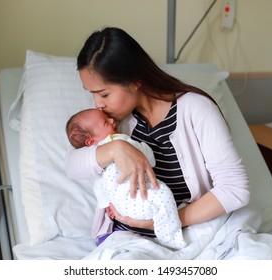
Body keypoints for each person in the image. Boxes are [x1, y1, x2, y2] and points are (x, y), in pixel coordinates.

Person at [64, 27, 250, 246]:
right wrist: (116, 149)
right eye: (92, 94)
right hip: (126, 238)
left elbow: (235, 189)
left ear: (134, 80)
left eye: (104, 94)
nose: (98, 104)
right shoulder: (109, 121)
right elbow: (71, 165)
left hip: (185, 232)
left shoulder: (197, 110)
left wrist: (166, 220)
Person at [65, 108, 187, 249]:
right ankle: (171, 238)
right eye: (105, 122)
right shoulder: (113, 144)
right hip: (131, 198)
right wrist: (138, 147)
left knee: (160, 199)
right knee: (163, 194)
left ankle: (167, 230)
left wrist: (107, 205)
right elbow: (150, 159)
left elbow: (99, 185)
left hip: (126, 203)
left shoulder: (102, 153)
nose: (111, 120)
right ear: (90, 141)